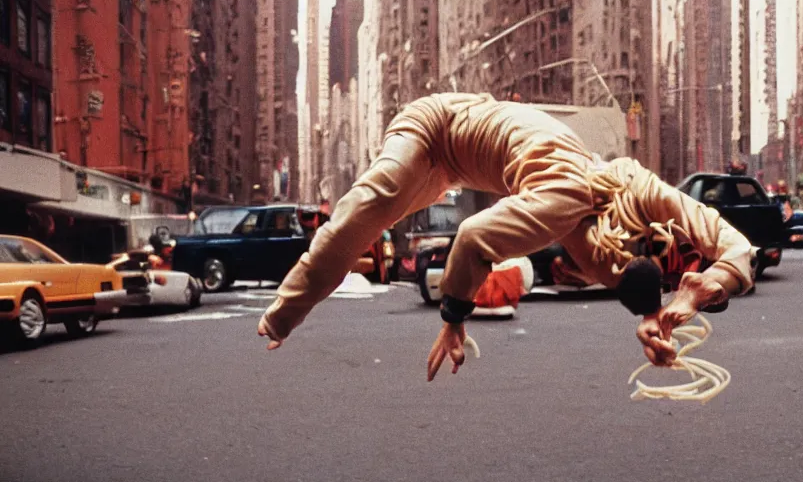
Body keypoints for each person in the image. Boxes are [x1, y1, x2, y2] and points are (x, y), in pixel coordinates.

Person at [255, 93, 754, 380]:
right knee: (368, 208)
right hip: (433, 128)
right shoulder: (571, 202)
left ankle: (285, 314)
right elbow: (472, 238)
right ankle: (283, 314)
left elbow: (732, 243)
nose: (590, 270)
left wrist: (696, 291)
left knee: (373, 216)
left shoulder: (631, 183)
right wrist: (453, 317)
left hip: (453, 170)